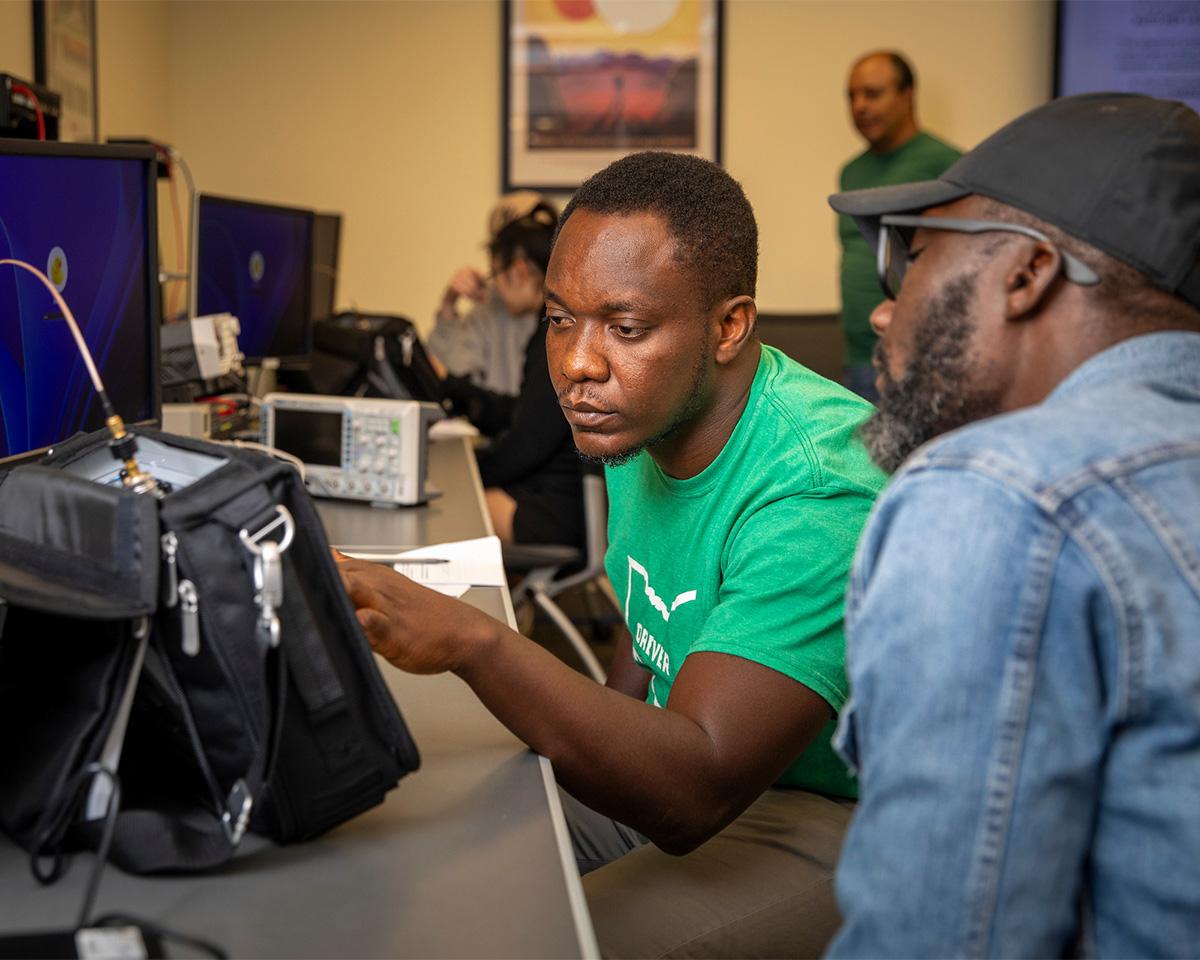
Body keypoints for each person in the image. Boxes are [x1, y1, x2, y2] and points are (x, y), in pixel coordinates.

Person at [337, 151, 885, 957]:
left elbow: (697, 787)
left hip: (824, 815)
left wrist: (473, 641)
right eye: (560, 319)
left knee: (541, 941)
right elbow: (647, 616)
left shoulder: (817, 491)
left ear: (729, 326)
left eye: (625, 328)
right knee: (417, 862)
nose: (577, 364)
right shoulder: (643, 414)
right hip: (684, 755)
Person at [826, 93, 1200, 957]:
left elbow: (942, 940)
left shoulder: (999, 494)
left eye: (911, 259)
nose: (885, 311)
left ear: (1026, 274)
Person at [434, 203, 584, 548]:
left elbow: (528, 442)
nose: (495, 290)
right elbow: (526, 413)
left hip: (559, 509)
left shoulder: (555, 334)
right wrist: (456, 390)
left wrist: (468, 471)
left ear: (518, 270)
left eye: (495, 275)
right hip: (563, 494)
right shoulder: (552, 327)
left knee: (453, 504)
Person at [837, 51, 960, 401]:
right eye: (852, 96)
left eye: (873, 93)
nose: (860, 105)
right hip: (857, 356)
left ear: (908, 94)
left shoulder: (947, 165)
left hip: (915, 357)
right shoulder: (851, 171)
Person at [427, 192, 553, 396]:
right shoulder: (491, 305)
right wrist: (449, 304)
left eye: (496, 272)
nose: (496, 282)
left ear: (518, 269)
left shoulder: (563, 314)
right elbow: (448, 373)